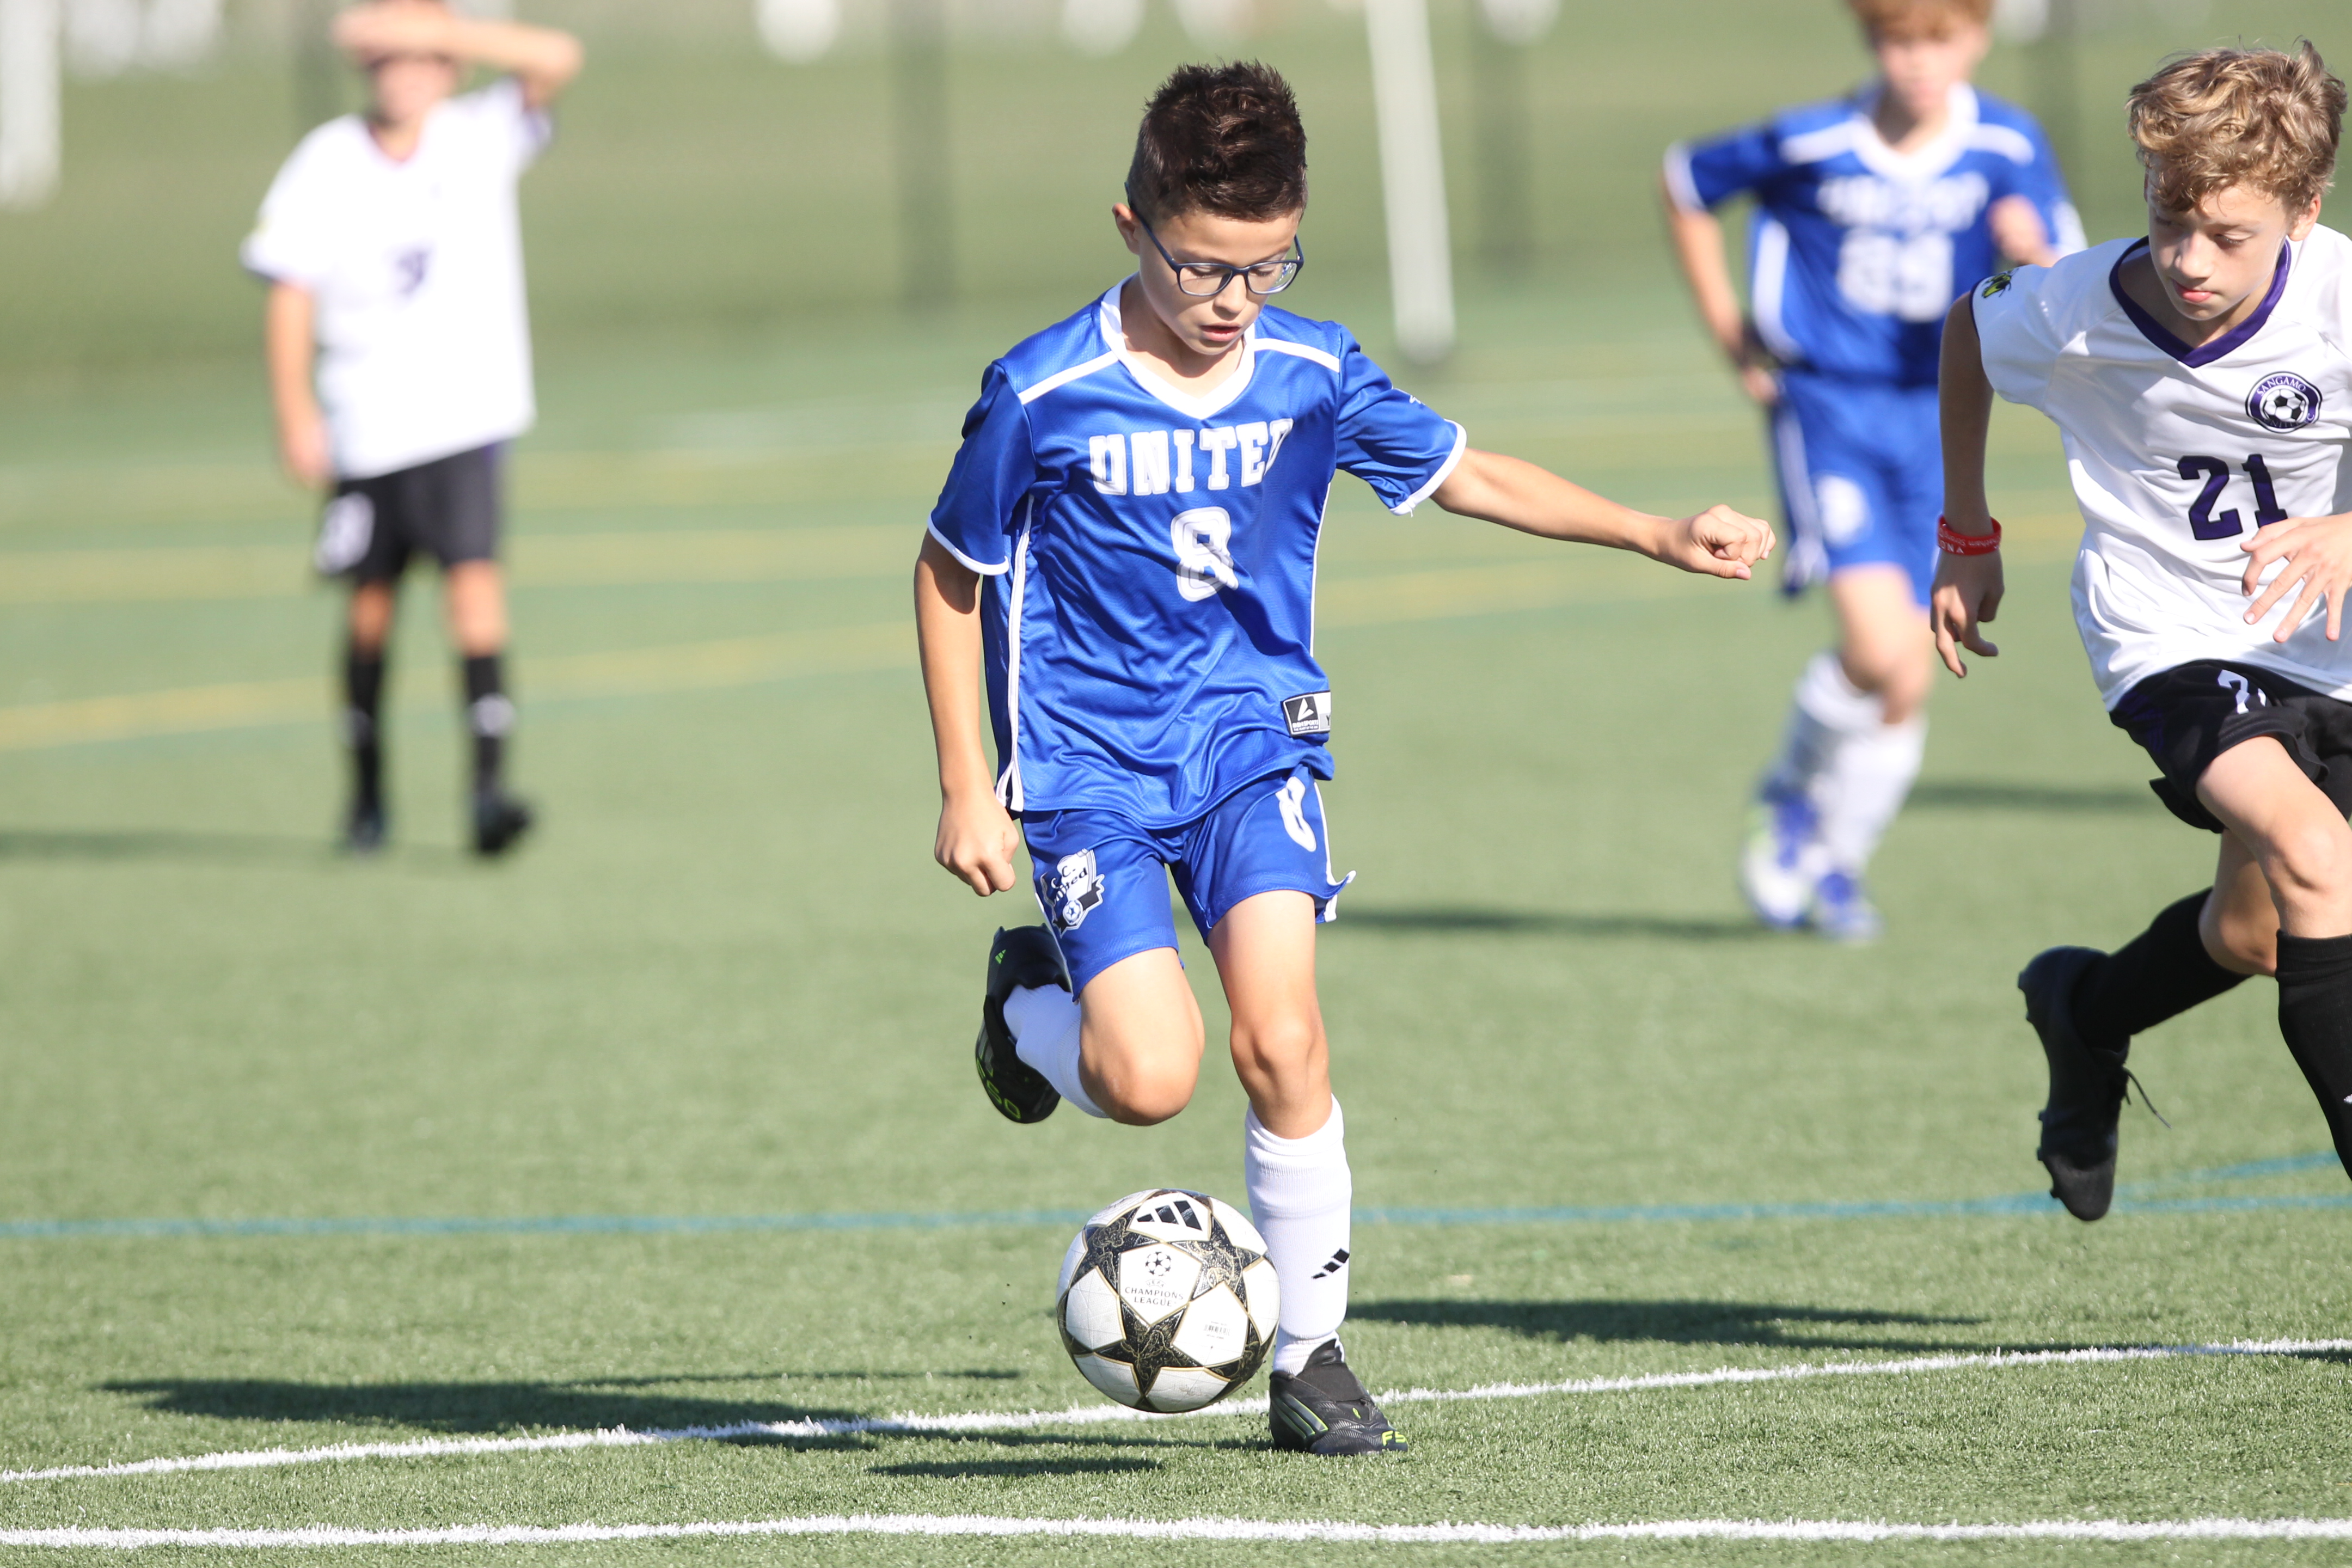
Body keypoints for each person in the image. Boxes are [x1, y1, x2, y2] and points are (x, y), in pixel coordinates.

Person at [916, 62, 1775, 1455]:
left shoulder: (1313, 369)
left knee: (1285, 1040)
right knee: (1148, 1080)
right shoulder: (1044, 389)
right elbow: (951, 572)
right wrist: (969, 781)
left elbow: (1465, 471)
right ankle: (1026, 1006)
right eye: (1202, 267)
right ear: (1132, 226)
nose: (1232, 300)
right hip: (1090, 771)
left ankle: (1311, 1360)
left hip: (1253, 745)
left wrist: (1654, 531)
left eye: (1268, 267)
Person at [1934, 44, 2351, 1219]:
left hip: (2323, 639)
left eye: (2229, 235)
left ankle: (2085, 1011)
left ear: (2305, 212)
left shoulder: (2341, 301)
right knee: (2321, 858)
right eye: (2171, 220)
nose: (2190, 261)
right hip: (2166, 631)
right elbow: (1968, 335)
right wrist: (1967, 532)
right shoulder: (2074, 307)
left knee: (2253, 933)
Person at [1663, 0, 2080, 939]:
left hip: (1942, 417)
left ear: (1978, 38)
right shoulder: (1813, 140)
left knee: (1913, 674)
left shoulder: (2008, 144)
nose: (1919, 61)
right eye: (1899, 41)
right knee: (1881, 647)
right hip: (1832, 412)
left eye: (1942, 40)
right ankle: (1790, 793)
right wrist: (1730, 330)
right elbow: (1683, 182)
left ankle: (1835, 863)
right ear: (1870, 41)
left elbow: (2068, 277)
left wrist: (2034, 254)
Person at [242, 0, 582, 855]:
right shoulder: (327, 160)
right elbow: (290, 289)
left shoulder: (477, 135)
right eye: (389, 59)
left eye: (420, 59)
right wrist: (295, 411)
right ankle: (367, 796)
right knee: (370, 611)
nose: (403, 74)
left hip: (465, 417)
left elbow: (557, 56)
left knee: (475, 594)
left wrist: (440, 30)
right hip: (366, 424)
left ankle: (488, 793)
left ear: (446, 67)